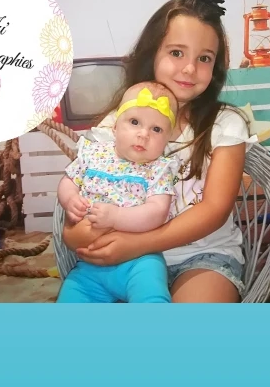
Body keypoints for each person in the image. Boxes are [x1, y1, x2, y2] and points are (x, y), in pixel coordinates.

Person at [63, 0, 256, 303]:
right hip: (124, 263)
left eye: (205, 58)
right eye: (177, 53)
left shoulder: (225, 124)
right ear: (152, 53)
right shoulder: (118, 123)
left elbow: (214, 210)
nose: (190, 68)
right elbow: (78, 208)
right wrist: (76, 233)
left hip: (202, 257)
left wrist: (138, 243)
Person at [56, 82, 179, 302]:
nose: (143, 134)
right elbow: (69, 181)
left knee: (151, 298)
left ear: (168, 138)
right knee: (71, 299)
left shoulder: (158, 169)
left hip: (140, 261)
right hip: (90, 265)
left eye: (156, 129)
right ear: (115, 127)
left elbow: (157, 211)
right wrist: (70, 199)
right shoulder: (94, 154)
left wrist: (116, 217)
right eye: (134, 122)